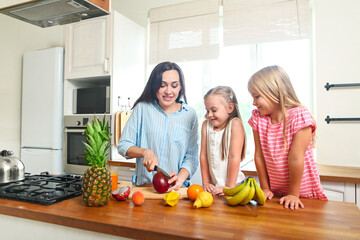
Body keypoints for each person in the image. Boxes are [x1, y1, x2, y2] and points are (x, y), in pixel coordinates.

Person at [248, 65, 327, 210]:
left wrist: (293, 194)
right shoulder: (259, 119)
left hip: (302, 195)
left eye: (257, 96)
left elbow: (295, 158)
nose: (254, 102)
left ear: (275, 91)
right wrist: (265, 188)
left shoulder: (299, 116)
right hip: (276, 195)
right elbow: (259, 156)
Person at [117, 62, 199, 191]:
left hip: (176, 189)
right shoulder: (142, 109)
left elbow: (191, 157)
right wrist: (145, 152)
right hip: (144, 188)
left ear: (180, 87)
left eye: (174, 85)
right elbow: (123, 145)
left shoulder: (190, 115)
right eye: (162, 85)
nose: (168, 91)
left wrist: (180, 178)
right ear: (154, 86)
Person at [199, 86, 247, 196]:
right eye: (207, 110)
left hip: (235, 186)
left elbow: (234, 157)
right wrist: (206, 182)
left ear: (230, 108)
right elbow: (203, 156)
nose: (209, 114)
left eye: (214, 110)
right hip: (216, 187)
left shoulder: (235, 124)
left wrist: (229, 187)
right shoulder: (206, 126)